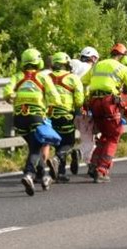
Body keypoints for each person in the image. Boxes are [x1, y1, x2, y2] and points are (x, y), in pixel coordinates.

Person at [83, 43, 127, 183]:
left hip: (94, 103)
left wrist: (84, 101)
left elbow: (82, 82)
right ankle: (101, 170)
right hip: (109, 103)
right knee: (114, 135)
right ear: (124, 56)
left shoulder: (98, 65)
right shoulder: (123, 69)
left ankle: (93, 165)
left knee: (105, 135)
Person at [2, 48, 62, 196]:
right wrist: (51, 107)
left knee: (33, 145)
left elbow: (7, 92)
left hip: (19, 119)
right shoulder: (43, 77)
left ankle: (42, 176)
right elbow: (55, 98)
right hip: (36, 117)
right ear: (39, 61)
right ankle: (28, 174)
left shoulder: (17, 76)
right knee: (37, 147)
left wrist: (13, 97)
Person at [46, 52, 84, 183]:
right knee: (68, 142)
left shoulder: (46, 77)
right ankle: (57, 159)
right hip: (66, 115)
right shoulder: (73, 78)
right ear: (65, 64)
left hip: (50, 115)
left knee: (58, 142)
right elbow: (79, 100)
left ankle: (60, 173)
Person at [72, 46, 99, 173]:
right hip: (86, 108)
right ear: (93, 58)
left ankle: (90, 165)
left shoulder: (73, 67)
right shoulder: (92, 70)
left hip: (69, 109)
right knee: (89, 138)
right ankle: (80, 153)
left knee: (83, 138)